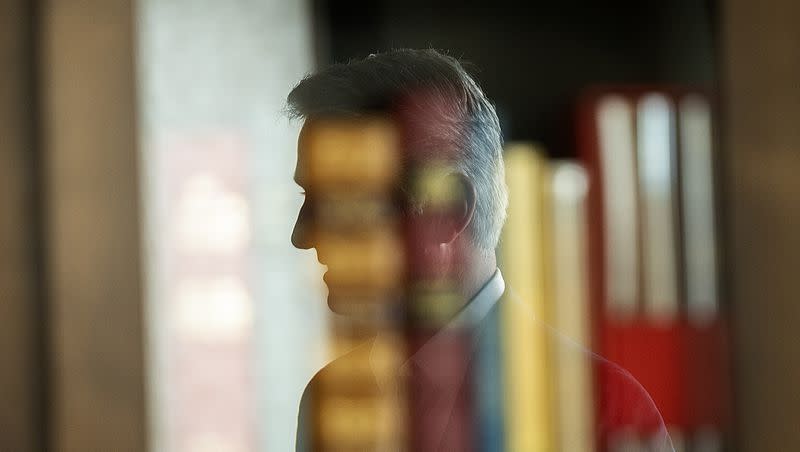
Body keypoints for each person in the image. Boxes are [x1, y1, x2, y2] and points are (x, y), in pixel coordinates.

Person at [287, 49, 673, 452]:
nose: (301, 235)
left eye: (337, 201)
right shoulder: (328, 403)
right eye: (307, 196)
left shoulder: (605, 408)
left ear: (447, 212)